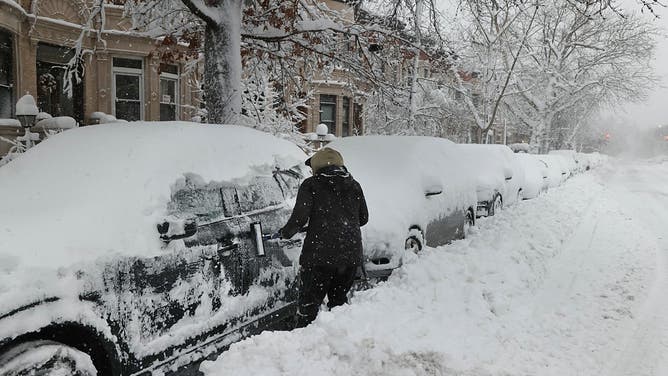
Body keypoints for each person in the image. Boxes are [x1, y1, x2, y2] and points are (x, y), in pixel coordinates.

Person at [280, 147, 368, 328]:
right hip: (349, 256)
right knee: (339, 305)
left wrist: (285, 233)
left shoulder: (311, 185)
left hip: (319, 257)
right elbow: (363, 218)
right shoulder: (354, 185)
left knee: (308, 306)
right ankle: (336, 341)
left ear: (317, 167)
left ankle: (304, 344)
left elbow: (299, 218)